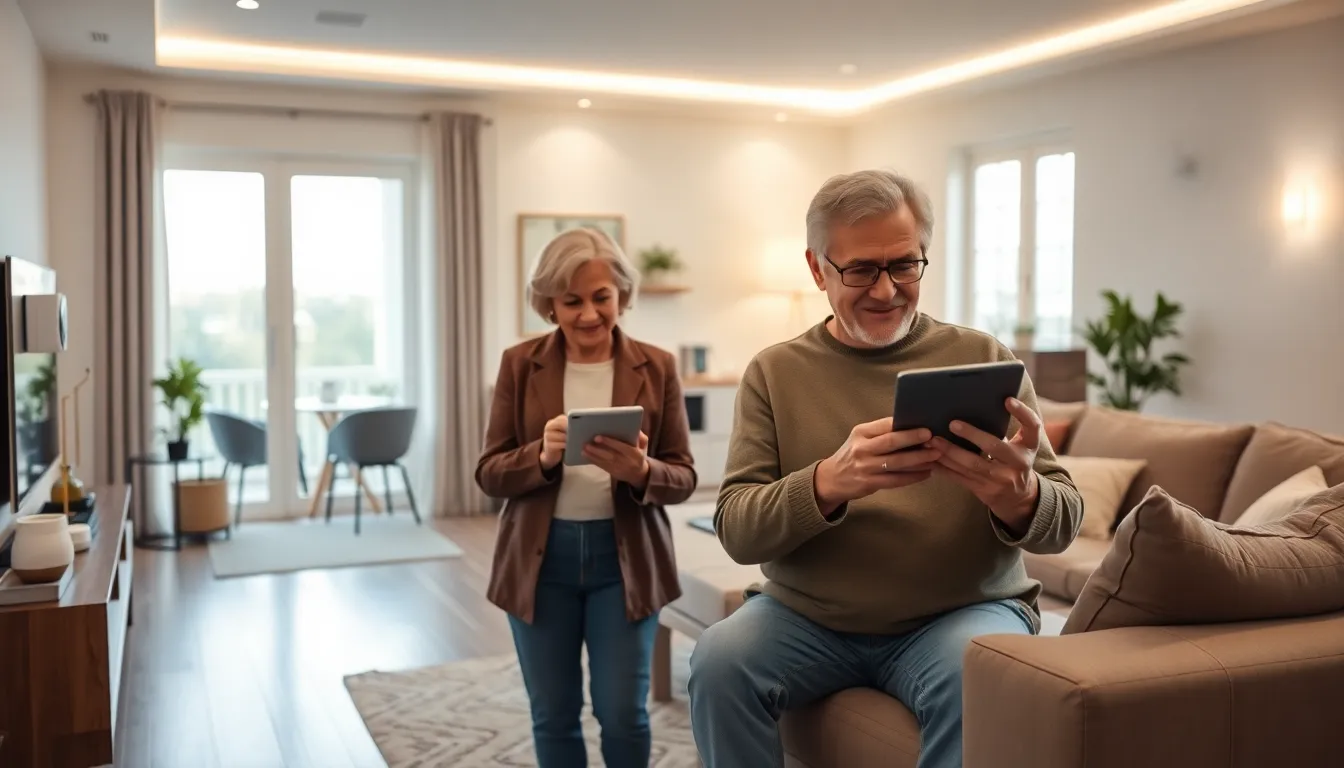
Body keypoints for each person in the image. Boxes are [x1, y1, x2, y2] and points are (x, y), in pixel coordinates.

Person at [686, 169, 1084, 768]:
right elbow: (738, 532)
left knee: (975, 677)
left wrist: (1022, 497)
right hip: (807, 617)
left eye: (904, 265)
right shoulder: (774, 372)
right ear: (817, 268)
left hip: (960, 611)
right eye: (861, 270)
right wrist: (827, 483)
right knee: (720, 662)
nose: (886, 290)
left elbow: (1065, 522)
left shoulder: (982, 357)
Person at [476, 227, 697, 768]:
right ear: (549, 304)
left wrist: (642, 470)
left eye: (602, 297)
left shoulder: (657, 366)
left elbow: (685, 476)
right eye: (572, 301)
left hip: (625, 563)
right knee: (553, 714)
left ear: (622, 294)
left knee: (623, 714)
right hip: (538, 561)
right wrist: (540, 456)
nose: (589, 314)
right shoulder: (519, 363)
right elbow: (489, 473)